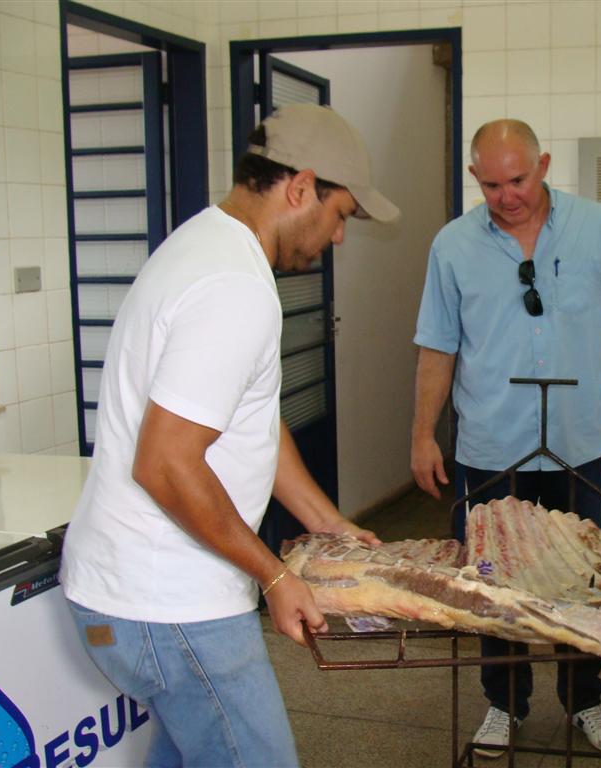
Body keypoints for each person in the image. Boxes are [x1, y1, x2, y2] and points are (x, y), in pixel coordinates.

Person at [60, 104, 400, 768]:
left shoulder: (203, 243)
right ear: (301, 187)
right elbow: (164, 464)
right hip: (172, 607)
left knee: (190, 752)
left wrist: (328, 523)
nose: (338, 238)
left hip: (130, 597)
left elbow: (252, 422)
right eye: (341, 216)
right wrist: (274, 579)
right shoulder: (235, 287)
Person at [410, 119, 601, 757]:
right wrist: (421, 436)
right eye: (491, 184)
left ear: (543, 164)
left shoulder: (598, 228)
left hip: (575, 442)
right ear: (474, 178)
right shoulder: (452, 245)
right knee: (494, 580)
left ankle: (586, 699)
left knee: (580, 580)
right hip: (491, 447)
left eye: (518, 179)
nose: (507, 195)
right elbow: (437, 346)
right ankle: (503, 704)